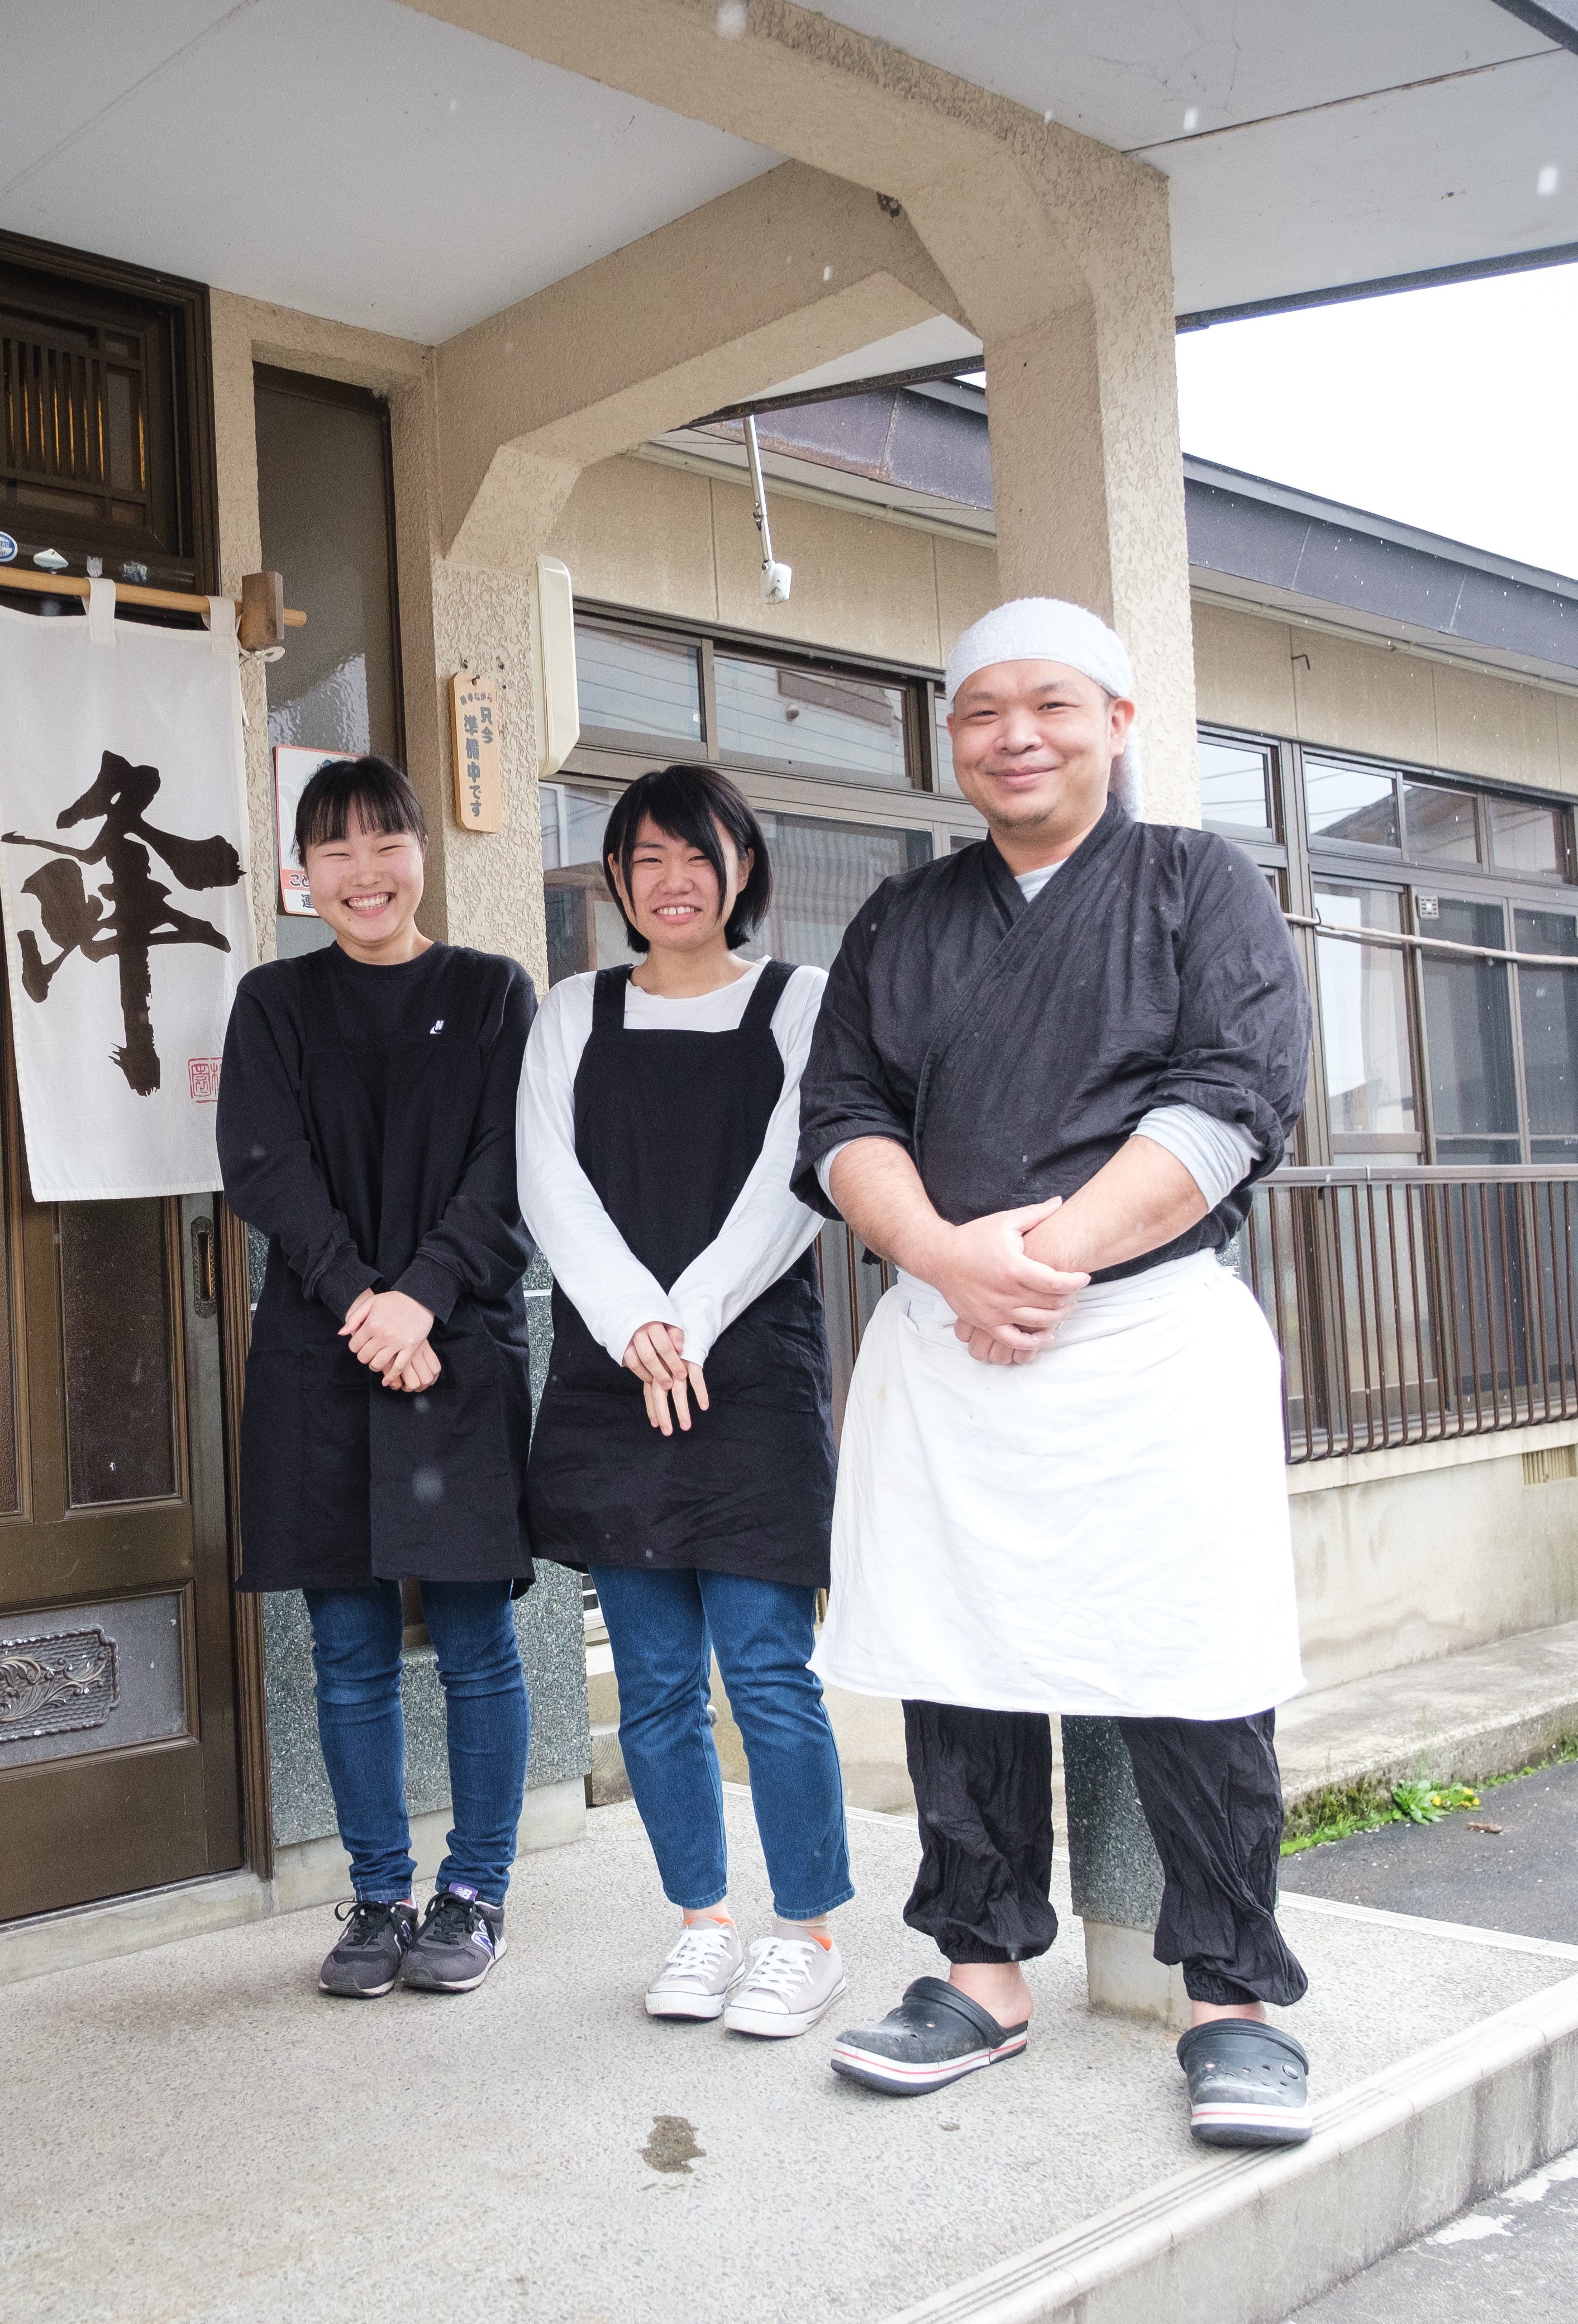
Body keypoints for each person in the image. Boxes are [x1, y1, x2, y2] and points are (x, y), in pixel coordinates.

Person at [799, 598, 1320, 2148]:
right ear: (952, 740)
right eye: (982, 712)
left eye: (1051, 705)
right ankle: (979, 1971)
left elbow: (1234, 1097)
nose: (1015, 736)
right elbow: (841, 1117)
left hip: (1144, 1338)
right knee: (958, 1661)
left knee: (1193, 1665)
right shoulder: (903, 918)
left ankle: (1232, 1999)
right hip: (948, 1337)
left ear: (1118, 723)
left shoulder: (1198, 883)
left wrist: (1046, 1259)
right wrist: (944, 1258)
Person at [518, 763, 854, 2040]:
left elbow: (798, 1173)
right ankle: (702, 1922)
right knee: (655, 1682)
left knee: (768, 1673)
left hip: (750, 1370)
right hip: (616, 1376)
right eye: (647, 858)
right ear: (616, 877)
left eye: (698, 856)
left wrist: (689, 1316)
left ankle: (808, 1933)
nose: (674, 881)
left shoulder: (799, 1002)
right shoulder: (573, 1011)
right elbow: (548, 1181)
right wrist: (636, 1325)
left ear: (742, 870)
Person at [220, 754, 540, 2001]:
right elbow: (264, 1164)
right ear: (303, 874)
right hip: (324, 1354)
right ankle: (377, 1896)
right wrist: (362, 1299)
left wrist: (423, 1297)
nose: (364, 872)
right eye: (335, 851)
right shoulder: (274, 1002)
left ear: (422, 853)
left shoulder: (493, 992)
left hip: (455, 1350)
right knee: (346, 1646)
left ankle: (477, 1890)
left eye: (385, 843)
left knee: (474, 1639)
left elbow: (514, 1166)